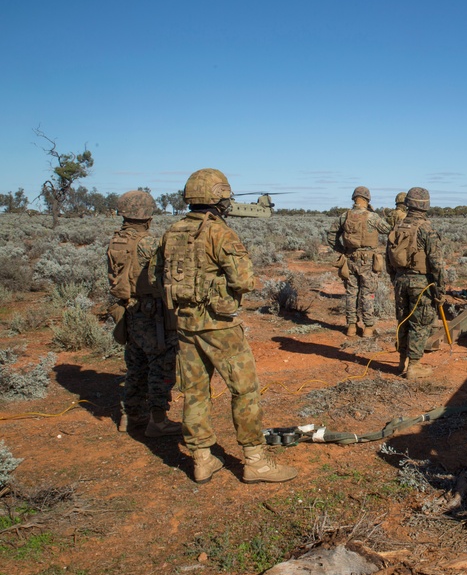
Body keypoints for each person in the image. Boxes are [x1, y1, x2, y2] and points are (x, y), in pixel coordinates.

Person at [150, 168, 296, 485]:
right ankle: (255, 461)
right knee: (244, 391)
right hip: (219, 326)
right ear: (219, 196)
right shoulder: (220, 233)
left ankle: (201, 460)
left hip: (185, 324)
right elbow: (244, 280)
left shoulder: (171, 232)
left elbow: (154, 276)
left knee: (195, 393)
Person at [106, 190, 181, 437]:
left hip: (128, 311)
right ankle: (158, 421)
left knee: (135, 366)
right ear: (148, 216)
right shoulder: (148, 242)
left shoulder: (116, 241)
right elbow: (165, 274)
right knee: (161, 365)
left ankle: (130, 416)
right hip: (152, 314)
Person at [386, 187, 445, 379]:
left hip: (400, 280)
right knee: (419, 323)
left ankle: (402, 361)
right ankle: (414, 365)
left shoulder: (398, 226)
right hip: (421, 283)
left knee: (402, 321)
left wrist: (395, 278)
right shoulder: (427, 229)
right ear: (426, 205)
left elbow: (388, 257)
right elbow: (436, 264)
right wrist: (440, 290)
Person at [326, 186, 392, 337]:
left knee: (351, 292)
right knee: (368, 294)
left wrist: (342, 250)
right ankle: (368, 328)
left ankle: (351, 326)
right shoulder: (372, 217)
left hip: (349, 259)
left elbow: (331, 235)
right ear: (367, 199)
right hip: (368, 261)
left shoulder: (345, 216)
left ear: (354, 198)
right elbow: (387, 229)